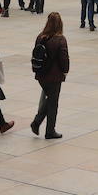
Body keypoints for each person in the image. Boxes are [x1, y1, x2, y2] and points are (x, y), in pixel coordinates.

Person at [30, 11, 68, 139]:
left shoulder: (40, 36)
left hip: (41, 74)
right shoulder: (60, 39)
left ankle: (37, 122)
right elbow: (64, 59)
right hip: (54, 76)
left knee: (50, 99)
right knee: (53, 103)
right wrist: (65, 70)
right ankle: (49, 130)